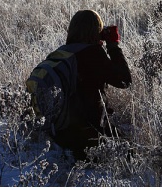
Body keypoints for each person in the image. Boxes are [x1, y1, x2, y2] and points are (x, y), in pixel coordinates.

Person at [51, 9, 132, 160]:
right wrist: (113, 46)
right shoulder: (93, 54)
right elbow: (124, 81)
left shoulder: (61, 53)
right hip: (89, 133)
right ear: (97, 31)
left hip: (59, 132)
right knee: (129, 150)